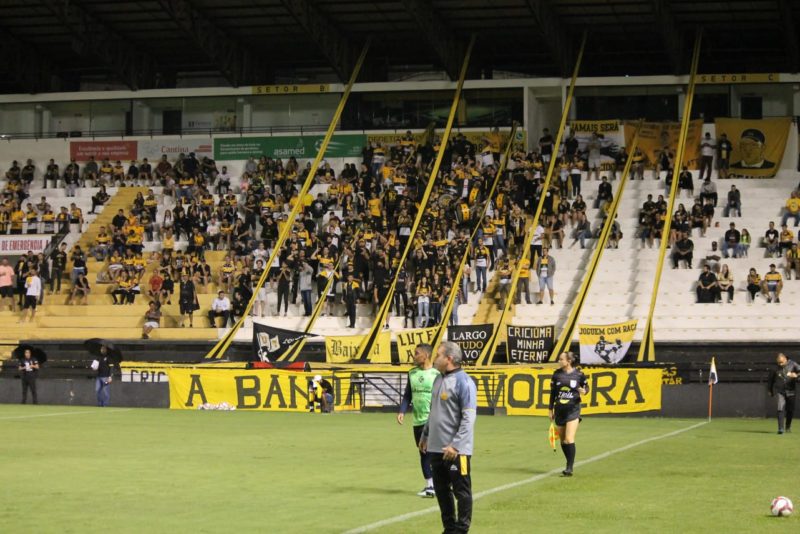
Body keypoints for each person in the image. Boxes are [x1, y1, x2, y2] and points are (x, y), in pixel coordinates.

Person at [419, 341, 477, 534]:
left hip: (456, 451)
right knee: (442, 492)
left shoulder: (464, 382)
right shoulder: (437, 379)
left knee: (461, 491)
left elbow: (468, 417)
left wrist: (456, 445)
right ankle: (449, 528)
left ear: (449, 359)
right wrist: (425, 435)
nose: (434, 358)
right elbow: (433, 412)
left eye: (438, 355)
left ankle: (461, 529)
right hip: (436, 448)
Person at [397, 344, 440, 498]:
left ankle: (432, 486)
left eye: (416, 353)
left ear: (426, 356)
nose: (413, 356)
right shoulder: (412, 373)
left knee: (429, 453)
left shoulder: (437, 374)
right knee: (423, 453)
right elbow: (408, 395)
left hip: (433, 420)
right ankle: (431, 485)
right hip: (417, 420)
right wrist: (402, 411)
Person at [549, 352, 588, 476]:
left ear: (569, 361)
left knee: (569, 438)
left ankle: (569, 467)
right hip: (559, 410)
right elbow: (553, 393)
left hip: (573, 409)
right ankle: (568, 462)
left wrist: (584, 391)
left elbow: (586, 387)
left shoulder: (579, 374)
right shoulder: (556, 375)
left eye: (561, 359)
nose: (559, 361)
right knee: (563, 441)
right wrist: (550, 409)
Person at [768, 353, 800, 434]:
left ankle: (788, 426)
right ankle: (780, 428)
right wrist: (770, 390)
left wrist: (796, 375)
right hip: (779, 391)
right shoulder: (774, 368)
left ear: (785, 359)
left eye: (781, 362)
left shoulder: (793, 364)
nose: (780, 364)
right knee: (780, 408)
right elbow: (770, 380)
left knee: (790, 410)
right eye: (778, 363)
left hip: (791, 391)